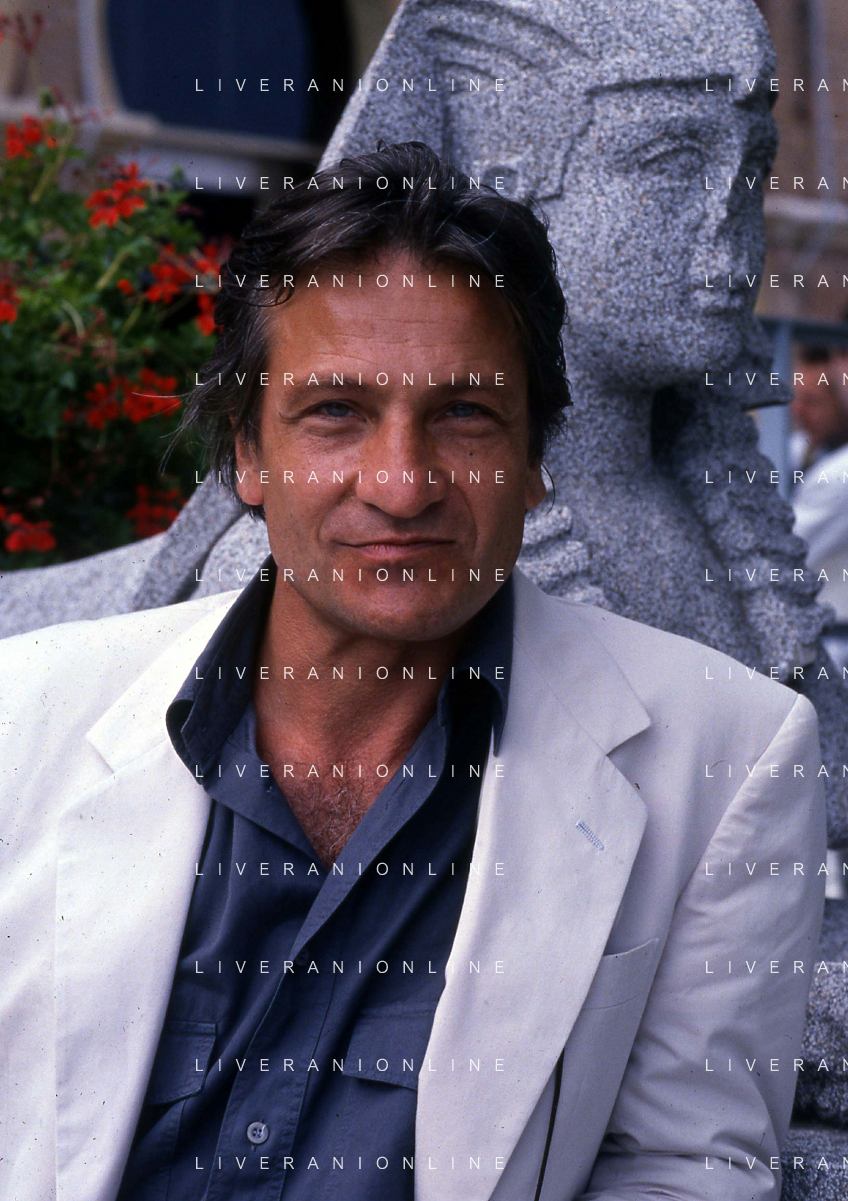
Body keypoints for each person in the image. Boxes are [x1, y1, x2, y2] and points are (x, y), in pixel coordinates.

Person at [0, 142, 826, 1201]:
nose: (400, 484)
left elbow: (685, 1168)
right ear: (247, 453)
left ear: (534, 458)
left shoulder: (727, 756)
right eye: (335, 412)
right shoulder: (25, 713)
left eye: (465, 413)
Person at [791, 341, 848, 626]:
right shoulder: (805, 447)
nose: (796, 410)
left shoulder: (841, 475)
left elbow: (784, 554)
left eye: (812, 401)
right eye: (796, 398)